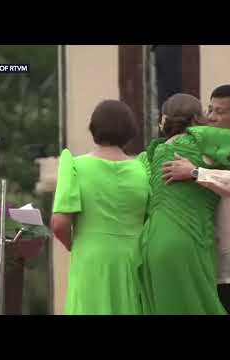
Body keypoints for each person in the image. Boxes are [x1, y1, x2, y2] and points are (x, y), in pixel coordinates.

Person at [139, 93, 230, 315]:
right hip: (199, 249)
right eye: (209, 111)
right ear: (197, 118)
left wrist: (196, 172)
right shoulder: (199, 139)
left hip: (155, 242)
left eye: (218, 111)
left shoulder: (157, 150)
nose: (212, 117)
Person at [51, 100, 150, 315]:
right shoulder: (143, 168)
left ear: (94, 128)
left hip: (91, 257)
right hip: (134, 258)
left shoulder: (75, 166)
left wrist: (74, 245)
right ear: (129, 131)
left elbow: (59, 223)